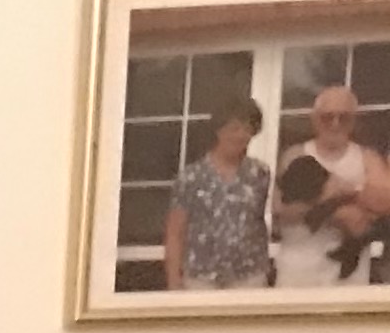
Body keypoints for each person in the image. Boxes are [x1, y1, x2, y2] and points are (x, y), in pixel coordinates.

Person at [269, 83, 377, 289]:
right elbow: (279, 211)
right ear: (314, 119)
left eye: (343, 117)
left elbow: (380, 208)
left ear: (354, 121)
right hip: (298, 269)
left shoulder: (367, 158)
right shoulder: (295, 156)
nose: (335, 124)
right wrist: (331, 207)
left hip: (349, 276)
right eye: (328, 117)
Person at [156, 96, 270, 289]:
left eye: (247, 129)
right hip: (201, 277)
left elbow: (259, 221)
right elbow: (175, 232)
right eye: (234, 128)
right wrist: (173, 280)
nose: (240, 135)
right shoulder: (191, 176)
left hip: (249, 276)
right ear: (219, 130)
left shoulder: (260, 173)